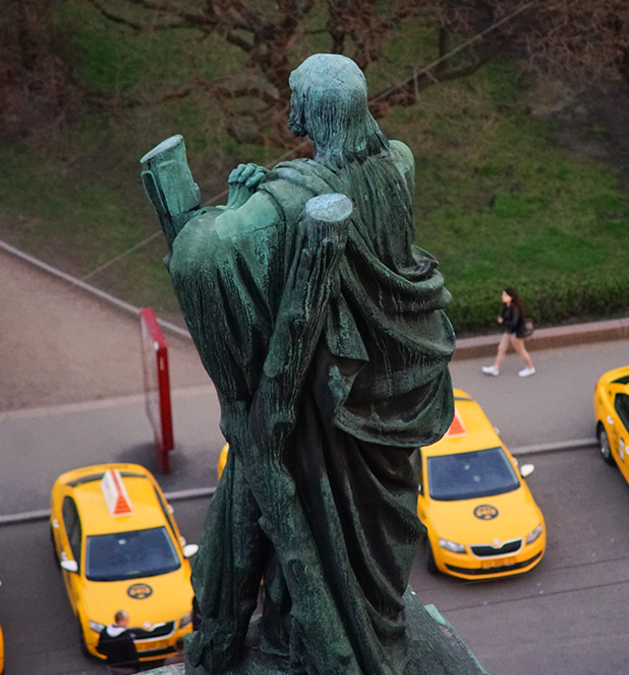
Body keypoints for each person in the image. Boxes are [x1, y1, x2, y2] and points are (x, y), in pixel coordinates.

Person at [149, 54, 456, 674]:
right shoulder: (398, 164)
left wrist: (233, 201)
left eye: (296, 99)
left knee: (322, 525)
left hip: (331, 404)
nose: (288, 110)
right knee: (369, 537)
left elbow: (202, 254)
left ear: (314, 111)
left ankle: (327, 647)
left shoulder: (292, 203)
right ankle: (361, 628)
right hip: (391, 394)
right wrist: (264, 188)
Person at [482, 287, 535, 377]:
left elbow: (514, 323)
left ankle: (530, 368)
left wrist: (503, 322)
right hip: (509, 332)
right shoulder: (508, 306)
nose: (503, 297)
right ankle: (496, 369)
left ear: (511, 297)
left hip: (515, 334)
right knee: (501, 349)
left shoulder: (514, 308)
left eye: (505, 295)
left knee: (521, 351)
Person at [95, 609, 140, 674]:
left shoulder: (105, 631)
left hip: (111, 666)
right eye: (127, 620)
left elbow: (100, 647)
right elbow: (132, 655)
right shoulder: (125, 636)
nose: (128, 622)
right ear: (121, 621)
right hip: (126, 669)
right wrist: (137, 668)